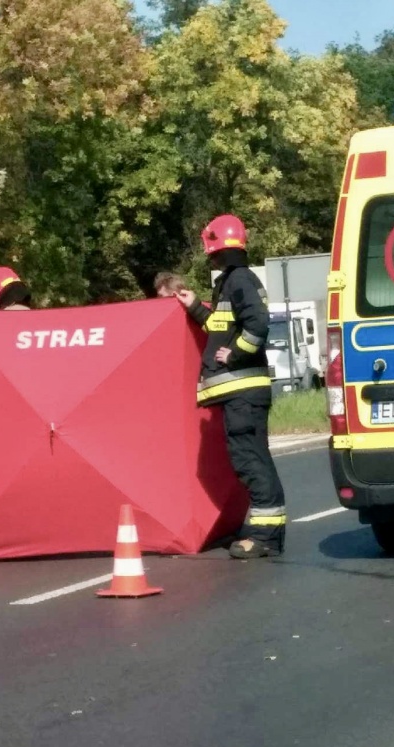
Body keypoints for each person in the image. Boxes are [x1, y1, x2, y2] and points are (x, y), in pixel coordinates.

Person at [155, 215, 286, 559]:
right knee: (251, 458)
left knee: (250, 460)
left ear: (215, 248)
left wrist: (236, 355)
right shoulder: (231, 281)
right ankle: (265, 532)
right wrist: (194, 305)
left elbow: (258, 323)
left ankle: (265, 537)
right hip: (241, 393)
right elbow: (219, 326)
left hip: (244, 391)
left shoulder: (239, 280)